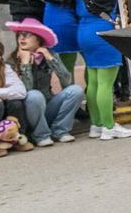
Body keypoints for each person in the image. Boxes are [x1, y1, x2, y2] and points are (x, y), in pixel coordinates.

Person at [63, 0, 131, 140]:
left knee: (93, 80)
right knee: (106, 82)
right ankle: (109, 127)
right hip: (102, 29)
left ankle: (96, 125)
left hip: (83, 31)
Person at [6, 17, 83, 146]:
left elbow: (67, 82)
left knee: (76, 90)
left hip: (48, 107)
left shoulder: (49, 55)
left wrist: (51, 59)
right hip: (27, 113)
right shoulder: (12, 60)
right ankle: (41, 135)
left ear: (39, 38)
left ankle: (60, 130)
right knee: (34, 95)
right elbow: (27, 91)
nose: (22, 38)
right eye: (20, 35)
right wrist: (25, 65)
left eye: (27, 35)